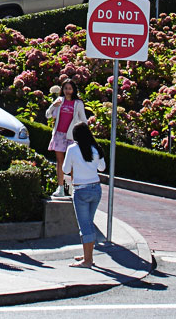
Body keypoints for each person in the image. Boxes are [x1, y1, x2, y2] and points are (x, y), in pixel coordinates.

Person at [63, 122, 105, 268]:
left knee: (84, 226)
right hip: (96, 188)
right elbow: (102, 167)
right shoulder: (95, 149)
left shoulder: (72, 149)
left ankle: (87, 260)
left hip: (81, 190)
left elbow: (66, 169)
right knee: (89, 223)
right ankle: (88, 255)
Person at [45, 80, 88, 198]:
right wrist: (53, 105)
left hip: (71, 136)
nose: (67, 90)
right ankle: (60, 187)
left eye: (69, 88)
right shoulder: (59, 101)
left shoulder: (78, 103)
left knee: (73, 162)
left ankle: (74, 188)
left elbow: (83, 119)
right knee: (60, 162)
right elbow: (48, 115)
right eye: (65, 88)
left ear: (73, 89)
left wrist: (83, 134)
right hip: (59, 134)